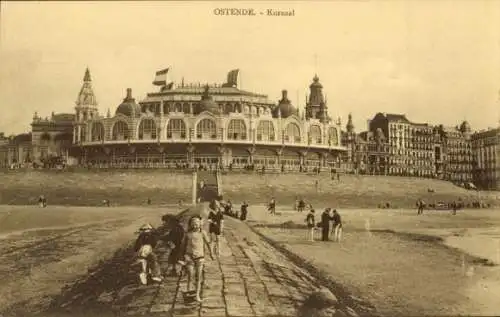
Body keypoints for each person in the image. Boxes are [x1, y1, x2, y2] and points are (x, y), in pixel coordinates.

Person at [179, 216, 214, 302]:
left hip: (200, 257)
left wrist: (211, 253)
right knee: (190, 274)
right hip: (189, 256)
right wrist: (181, 257)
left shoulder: (203, 233)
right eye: (193, 224)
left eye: (197, 224)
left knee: (198, 277)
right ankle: (188, 291)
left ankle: (197, 295)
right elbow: (182, 246)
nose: (195, 226)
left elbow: (208, 243)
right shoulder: (187, 234)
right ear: (190, 225)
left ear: (200, 224)